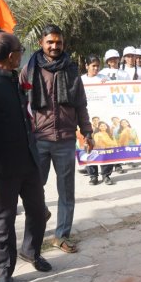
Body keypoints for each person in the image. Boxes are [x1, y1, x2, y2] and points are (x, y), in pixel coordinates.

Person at [0, 32, 52, 282]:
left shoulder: (13, 79)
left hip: (28, 160)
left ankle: (31, 251)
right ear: (11, 56)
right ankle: (4, 271)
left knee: (38, 212)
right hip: (2, 167)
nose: (22, 53)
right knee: (3, 221)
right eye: (21, 49)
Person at [20, 24, 94, 254]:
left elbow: (80, 104)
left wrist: (87, 131)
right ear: (41, 43)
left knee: (66, 192)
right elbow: (20, 102)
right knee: (33, 189)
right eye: (50, 42)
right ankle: (35, 232)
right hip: (38, 139)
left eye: (58, 42)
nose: (54, 46)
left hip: (64, 140)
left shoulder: (71, 69)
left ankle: (61, 236)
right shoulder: (29, 69)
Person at [81, 55, 114, 185]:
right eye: (93, 66)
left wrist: (108, 85)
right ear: (86, 66)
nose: (95, 68)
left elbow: (111, 94)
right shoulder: (81, 80)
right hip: (86, 118)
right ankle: (93, 175)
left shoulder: (104, 79)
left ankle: (106, 174)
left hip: (102, 117)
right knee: (89, 146)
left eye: (97, 66)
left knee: (104, 146)